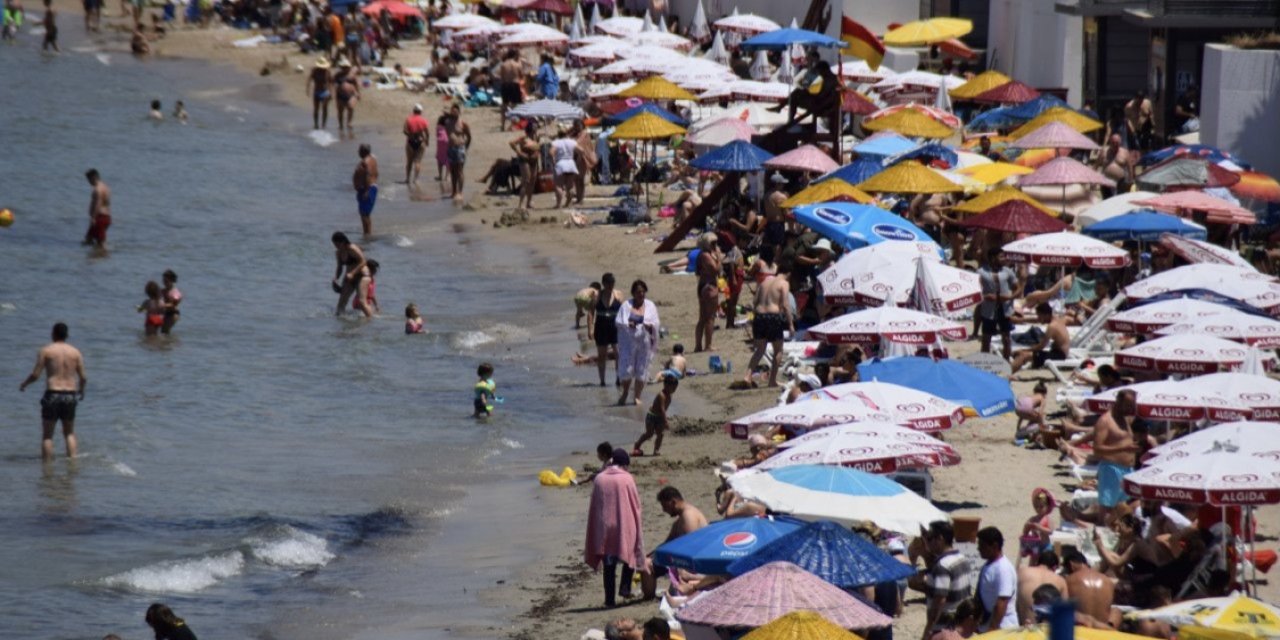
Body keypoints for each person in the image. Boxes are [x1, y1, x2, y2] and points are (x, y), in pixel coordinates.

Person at [585, 449, 646, 608]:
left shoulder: (599, 479)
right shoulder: (627, 478)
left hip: (605, 527)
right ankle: (625, 589)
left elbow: (595, 506)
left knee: (609, 564)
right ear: (624, 464)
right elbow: (635, 504)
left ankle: (609, 600)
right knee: (630, 554)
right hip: (623, 524)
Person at [19, 323, 87, 461]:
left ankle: (47, 469)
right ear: (67, 335)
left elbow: (35, 375)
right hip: (70, 394)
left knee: (48, 435)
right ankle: (72, 462)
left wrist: (24, 384)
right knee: (69, 433)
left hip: (53, 394)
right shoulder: (75, 352)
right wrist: (82, 390)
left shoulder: (46, 351)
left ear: (53, 334)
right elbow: (83, 377)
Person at [912, 521, 973, 640]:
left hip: (944, 628)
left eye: (929, 539)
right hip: (961, 626)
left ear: (940, 539)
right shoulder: (962, 559)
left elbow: (940, 600)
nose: (926, 543)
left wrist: (928, 629)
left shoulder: (942, 566)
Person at [743, 261, 793, 388]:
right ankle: (772, 381)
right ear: (788, 273)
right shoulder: (784, 283)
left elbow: (755, 301)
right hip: (773, 316)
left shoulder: (764, 282)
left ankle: (747, 376)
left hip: (759, 316)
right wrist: (791, 324)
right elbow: (786, 305)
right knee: (778, 350)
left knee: (760, 349)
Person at [1094, 389, 1138, 518]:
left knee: (1124, 509)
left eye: (1132, 405)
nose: (1131, 409)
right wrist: (1122, 449)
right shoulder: (1105, 421)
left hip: (1128, 470)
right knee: (1107, 510)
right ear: (1118, 401)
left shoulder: (1126, 419)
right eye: (1128, 405)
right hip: (1111, 469)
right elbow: (1097, 449)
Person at [616, 279, 660, 406]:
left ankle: (637, 396)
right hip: (629, 342)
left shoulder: (650, 305)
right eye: (638, 292)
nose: (641, 294)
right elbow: (619, 321)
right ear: (633, 293)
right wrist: (628, 324)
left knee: (642, 368)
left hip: (644, 342)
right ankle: (625, 393)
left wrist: (649, 326)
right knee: (627, 368)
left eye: (642, 292)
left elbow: (656, 322)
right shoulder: (626, 305)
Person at [977, 248, 1017, 360]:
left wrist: (1010, 297)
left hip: (1004, 309)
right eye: (1001, 257)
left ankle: (1006, 362)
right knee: (986, 339)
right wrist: (986, 297)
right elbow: (975, 291)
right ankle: (984, 364)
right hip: (988, 309)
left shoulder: (1007, 271)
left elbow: (1017, 288)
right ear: (993, 258)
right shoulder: (981, 272)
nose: (1004, 259)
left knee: (1007, 339)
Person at [976, 527, 1018, 631]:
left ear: (994, 546)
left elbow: (1002, 601)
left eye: (982, 546)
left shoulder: (1003, 569)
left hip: (1003, 627)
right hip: (988, 624)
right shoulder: (989, 565)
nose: (979, 549)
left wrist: (992, 629)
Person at [1009, 304, 1069, 375]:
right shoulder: (1057, 320)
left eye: (1039, 316)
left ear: (1046, 315)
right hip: (1059, 353)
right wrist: (1021, 320)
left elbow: (1041, 346)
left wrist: (1024, 350)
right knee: (1023, 354)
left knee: (1023, 355)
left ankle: (1006, 375)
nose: (1038, 318)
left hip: (1058, 356)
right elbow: (1037, 320)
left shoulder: (1052, 327)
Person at [588, 273, 624, 387]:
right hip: (601, 327)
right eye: (608, 284)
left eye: (612, 283)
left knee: (618, 353)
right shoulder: (597, 296)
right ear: (603, 284)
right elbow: (590, 312)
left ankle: (618, 378)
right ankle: (602, 381)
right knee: (602, 355)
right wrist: (590, 329)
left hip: (615, 327)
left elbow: (625, 311)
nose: (610, 286)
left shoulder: (618, 294)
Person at [1061, 550, 1115, 624]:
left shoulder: (1068, 580)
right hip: (1103, 628)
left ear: (1071, 565)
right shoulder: (1108, 581)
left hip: (1081, 627)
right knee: (1116, 611)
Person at [1016, 551, 1068, 624]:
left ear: (1038, 562)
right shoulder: (1061, 581)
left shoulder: (1022, 572)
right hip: (1046, 630)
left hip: (1024, 627)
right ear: (1055, 567)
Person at [633, 374, 676, 455]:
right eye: (672, 387)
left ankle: (656, 450)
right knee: (649, 434)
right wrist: (666, 421)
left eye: (675, 388)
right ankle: (637, 444)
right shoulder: (661, 395)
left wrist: (663, 420)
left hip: (659, 418)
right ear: (665, 385)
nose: (673, 390)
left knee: (660, 434)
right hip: (651, 416)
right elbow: (662, 409)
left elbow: (665, 409)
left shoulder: (669, 396)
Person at [331, 231, 372, 317]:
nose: (336, 246)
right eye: (334, 244)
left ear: (343, 242)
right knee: (341, 303)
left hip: (362, 275)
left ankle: (370, 323)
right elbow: (340, 267)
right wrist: (336, 278)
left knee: (361, 302)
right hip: (349, 277)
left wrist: (353, 273)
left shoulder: (352, 248)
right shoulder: (338, 253)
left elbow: (363, 261)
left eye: (338, 244)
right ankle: (340, 326)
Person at [693, 232, 722, 353]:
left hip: (703, 285)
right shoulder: (706, 255)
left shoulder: (703, 254)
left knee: (703, 317)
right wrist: (719, 259)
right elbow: (715, 270)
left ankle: (699, 346)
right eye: (713, 243)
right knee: (709, 318)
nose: (715, 245)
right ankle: (707, 345)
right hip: (709, 286)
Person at [511, 123, 540, 209]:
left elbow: (537, 148)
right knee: (526, 181)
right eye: (535, 127)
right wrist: (519, 153)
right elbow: (512, 143)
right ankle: (521, 203)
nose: (536, 128)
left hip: (534, 161)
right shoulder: (524, 138)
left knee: (532, 181)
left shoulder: (536, 137)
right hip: (525, 160)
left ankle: (529, 202)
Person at [352, 143, 379, 237]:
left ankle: (367, 234)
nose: (358, 152)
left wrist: (367, 190)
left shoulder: (365, 162)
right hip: (371, 187)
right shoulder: (373, 159)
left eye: (359, 150)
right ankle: (367, 233)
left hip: (367, 189)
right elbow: (376, 174)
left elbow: (367, 174)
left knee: (364, 214)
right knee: (365, 214)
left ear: (363, 151)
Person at [446, 104, 471, 199]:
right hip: (450, 148)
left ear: (459, 112)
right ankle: (453, 191)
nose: (454, 113)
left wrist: (466, 147)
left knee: (460, 171)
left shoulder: (463, 123)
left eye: (456, 111)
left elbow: (469, 137)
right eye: (452, 111)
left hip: (460, 148)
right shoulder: (448, 122)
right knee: (453, 171)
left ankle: (460, 192)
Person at [83, 169, 112, 248]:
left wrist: (93, 217)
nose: (89, 182)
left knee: (101, 243)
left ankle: (102, 256)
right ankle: (93, 255)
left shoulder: (97, 190)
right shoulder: (106, 187)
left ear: (94, 178)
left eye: (89, 179)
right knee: (89, 239)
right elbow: (108, 203)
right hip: (107, 217)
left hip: (99, 218)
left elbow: (98, 204)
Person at [552, 127, 579, 209]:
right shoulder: (572, 142)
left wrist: (554, 162)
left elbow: (551, 152)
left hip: (561, 163)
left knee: (558, 185)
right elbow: (582, 151)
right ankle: (568, 203)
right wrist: (577, 160)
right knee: (570, 186)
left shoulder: (556, 142)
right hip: (571, 163)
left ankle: (558, 204)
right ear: (567, 134)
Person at [403, 104, 430, 184]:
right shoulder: (423, 120)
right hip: (420, 141)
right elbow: (427, 132)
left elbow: (405, 131)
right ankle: (416, 179)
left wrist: (411, 134)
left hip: (410, 141)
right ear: (420, 111)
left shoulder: (408, 119)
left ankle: (407, 179)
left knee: (409, 161)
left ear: (413, 110)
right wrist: (427, 141)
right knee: (418, 161)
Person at [497, 49, 523, 130]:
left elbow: (501, 77)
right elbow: (521, 76)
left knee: (504, 106)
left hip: (505, 85)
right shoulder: (517, 64)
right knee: (515, 106)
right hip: (515, 84)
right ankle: (512, 125)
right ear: (514, 55)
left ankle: (502, 125)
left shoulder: (503, 65)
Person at [305, 56, 333, 130]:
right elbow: (309, 79)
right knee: (316, 109)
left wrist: (331, 92)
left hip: (325, 92)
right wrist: (308, 89)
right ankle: (316, 124)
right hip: (316, 91)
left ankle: (324, 124)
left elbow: (330, 82)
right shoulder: (314, 71)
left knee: (325, 108)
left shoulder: (327, 71)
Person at [335, 58, 360, 136]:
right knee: (340, 111)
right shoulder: (338, 75)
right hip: (340, 95)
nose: (345, 68)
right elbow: (333, 83)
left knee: (350, 108)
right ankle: (341, 124)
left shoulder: (352, 75)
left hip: (350, 95)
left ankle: (349, 122)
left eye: (346, 67)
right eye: (343, 67)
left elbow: (356, 84)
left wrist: (358, 93)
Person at [160, 270, 182, 334]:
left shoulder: (175, 292)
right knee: (163, 331)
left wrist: (161, 305)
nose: (164, 282)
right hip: (165, 313)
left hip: (173, 314)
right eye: (163, 280)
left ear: (172, 281)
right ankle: (169, 342)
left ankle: (168, 342)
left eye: (166, 281)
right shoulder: (162, 291)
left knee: (164, 330)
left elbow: (173, 304)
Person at [435, 107, 451, 184]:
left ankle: (440, 175)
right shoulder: (451, 121)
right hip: (447, 140)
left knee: (440, 157)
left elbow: (437, 129)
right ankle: (447, 177)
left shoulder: (440, 119)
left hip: (440, 141)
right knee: (448, 159)